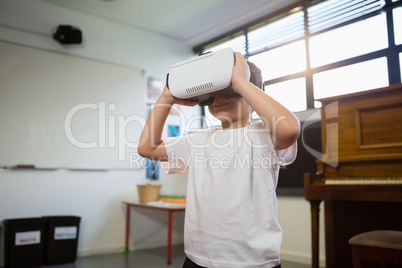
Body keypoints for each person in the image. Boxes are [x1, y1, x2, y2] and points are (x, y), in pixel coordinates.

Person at [138, 51, 300, 268]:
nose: (219, 98)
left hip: (252, 262)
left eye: (229, 90)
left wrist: (241, 82)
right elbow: (147, 148)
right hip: (198, 258)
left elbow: (289, 129)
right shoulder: (198, 140)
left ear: (252, 94)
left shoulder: (264, 135)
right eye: (213, 93)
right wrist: (166, 98)